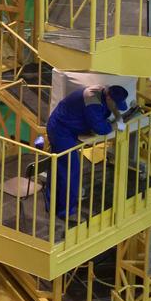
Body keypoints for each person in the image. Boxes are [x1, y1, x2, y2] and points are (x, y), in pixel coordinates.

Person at [45, 84, 129, 220]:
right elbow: (100, 128)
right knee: (70, 170)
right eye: (115, 104)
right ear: (108, 97)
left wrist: (118, 115)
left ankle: (53, 204)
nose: (115, 107)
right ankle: (65, 212)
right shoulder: (92, 101)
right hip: (61, 131)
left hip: (69, 128)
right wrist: (116, 125)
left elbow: (109, 109)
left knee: (60, 168)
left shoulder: (104, 92)